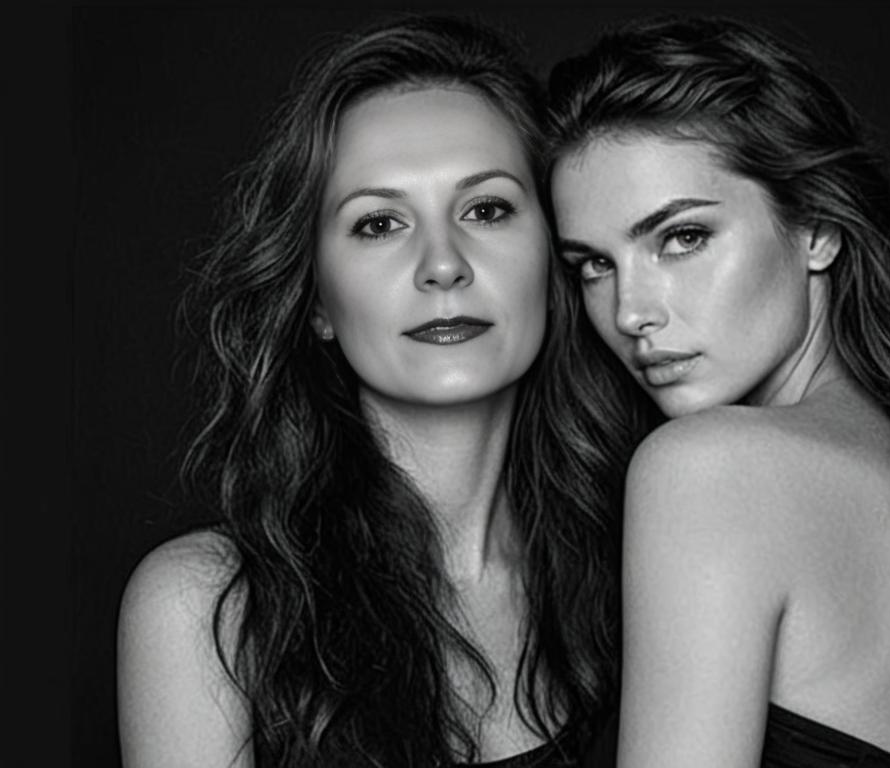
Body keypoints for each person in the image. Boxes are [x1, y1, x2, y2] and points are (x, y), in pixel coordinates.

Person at [116, 15, 641, 767]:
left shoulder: (656, 570)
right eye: (379, 223)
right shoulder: (209, 610)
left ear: (556, 264)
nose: (442, 265)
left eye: (486, 209)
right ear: (319, 302)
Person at [546, 15, 890, 768]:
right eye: (593, 265)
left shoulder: (709, 468)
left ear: (818, 230)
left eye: (682, 238)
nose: (631, 311)